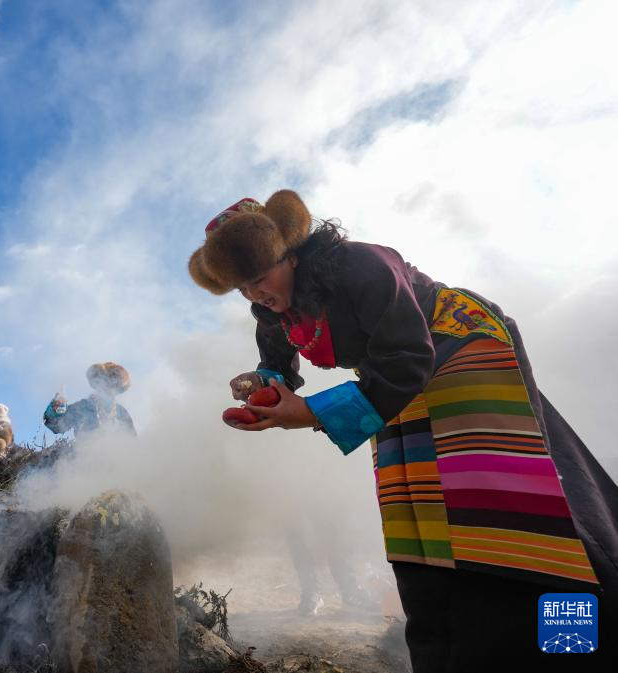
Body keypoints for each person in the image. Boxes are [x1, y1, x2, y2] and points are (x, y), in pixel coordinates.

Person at [188, 190, 618, 669]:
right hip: (392, 377)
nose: (253, 295)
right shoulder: (270, 312)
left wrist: (313, 414)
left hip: (463, 347)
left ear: (290, 252)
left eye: (257, 278)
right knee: (413, 512)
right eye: (241, 288)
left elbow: (408, 358)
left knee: (496, 508)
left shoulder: (362, 265)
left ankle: (573, 643)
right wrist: (262, 389)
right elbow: (277, 369)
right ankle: (448, 653)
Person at [43, 363, 136, 438]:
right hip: (83, 455)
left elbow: (132, 441)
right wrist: (56, 409)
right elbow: (55, 426)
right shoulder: (82, 407)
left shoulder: (122, 413)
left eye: (115, 384)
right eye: (106, 381)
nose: (110, 387)